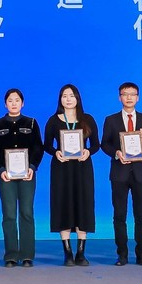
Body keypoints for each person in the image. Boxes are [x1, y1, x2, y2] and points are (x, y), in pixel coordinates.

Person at [100, 82, 142, 267]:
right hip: (119, 173)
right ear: (119, 97)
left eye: (132, 94)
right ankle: (122, 255)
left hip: (141, 173)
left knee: (141, 216)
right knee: (119, 215)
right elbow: (104, 144)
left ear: (138, 98)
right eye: (125, 94)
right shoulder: (111, 120)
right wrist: (116, 153)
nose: (129, 97)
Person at [44, 84, 100, 266]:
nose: (68, 99)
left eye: (71, 95)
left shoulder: (88, 119)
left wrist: (88, 152)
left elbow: (96, 144)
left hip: (83, 168)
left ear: (77, 98)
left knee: (83, 204)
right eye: (64, 96)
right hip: (61, 168)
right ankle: (67, 252)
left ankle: (81, 253)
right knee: (63, 204)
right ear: (60, 99)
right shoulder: (53, 120)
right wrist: (56, 153)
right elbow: (46, 145)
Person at [0, 88, 44, 268]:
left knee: (26, 212)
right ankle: (11, 255)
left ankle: (27, 255)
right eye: (10, 100)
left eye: (17, 100)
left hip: (28, 175)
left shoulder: (32, 123)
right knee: (9, 214)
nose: (13, 103)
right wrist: (0, 169)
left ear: (22, 103)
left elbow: (38, 147)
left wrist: (32, 167)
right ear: (5, 104)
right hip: (6, 176)